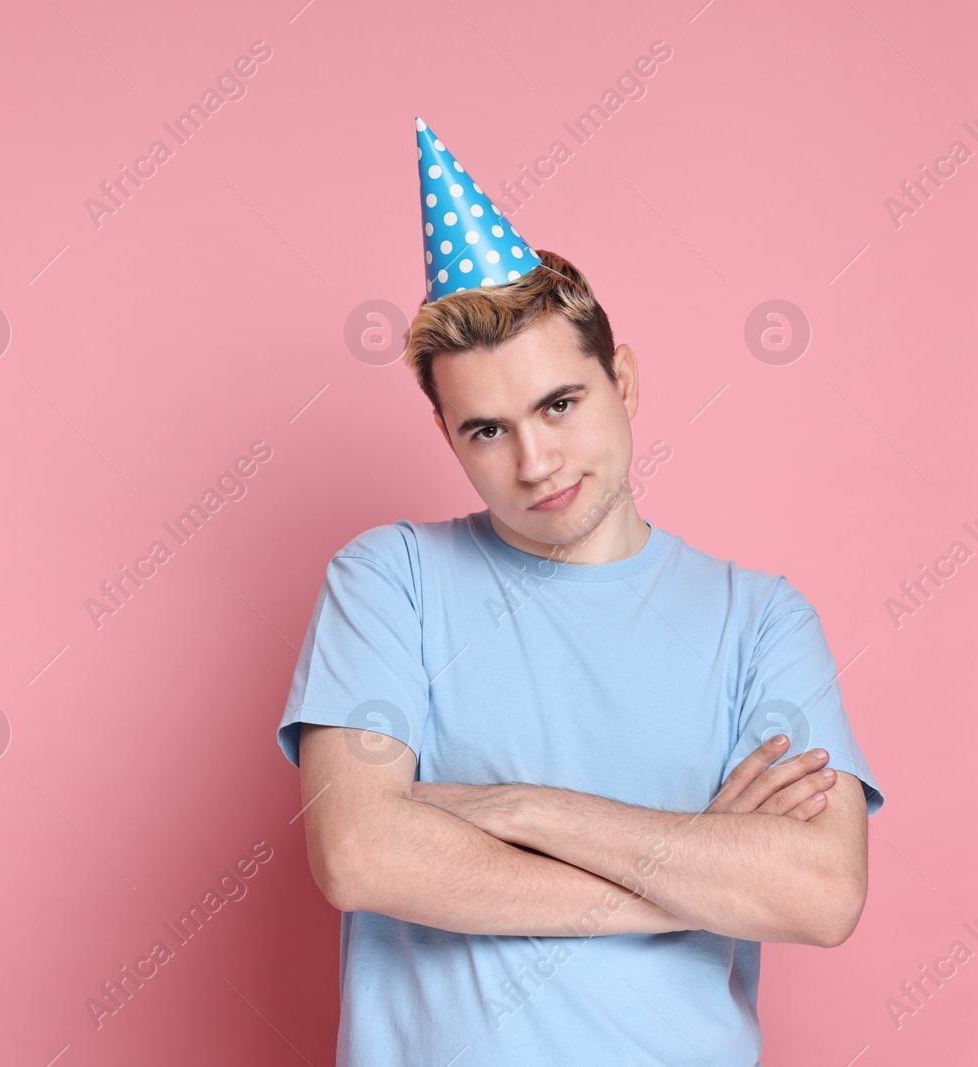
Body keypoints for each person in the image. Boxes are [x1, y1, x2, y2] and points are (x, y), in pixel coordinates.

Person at [274, 120, 885, 1067]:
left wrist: (519, 809)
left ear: (623, 380)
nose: (536, 459)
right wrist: (689, 870)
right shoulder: (387, 578)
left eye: (561, 403)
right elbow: (360, 853)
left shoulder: (761, 619)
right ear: (449, 440)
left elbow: (821, 891)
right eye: (487, 429)